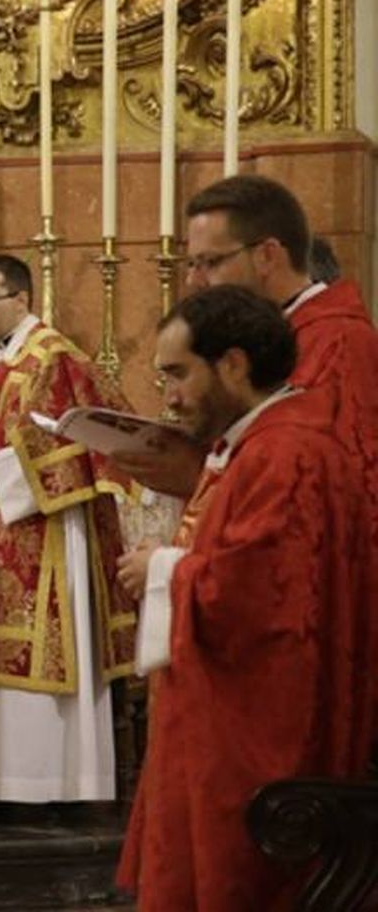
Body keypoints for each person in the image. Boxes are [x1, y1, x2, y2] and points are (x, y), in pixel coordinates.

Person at [114, 286, 373, 911]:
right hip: (229, 710)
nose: (168, 397)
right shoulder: (263, 442)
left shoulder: (284, 453)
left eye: (178, 374)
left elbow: (261, 599)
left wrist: (164, 568)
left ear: (232, 364)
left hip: (257, 728)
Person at [0, 254, 137, 804]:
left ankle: (45, 781)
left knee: (39, 645)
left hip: (45, 528)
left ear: (21, 299)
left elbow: (85, 440)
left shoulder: (55, 358)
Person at [114, 174, 378, 502]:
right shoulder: (264, 338)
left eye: (210, 263)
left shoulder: (337, 343)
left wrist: (195, 476)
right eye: (192, 264)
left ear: (266, 255)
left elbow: (331, 494)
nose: (194, 281)